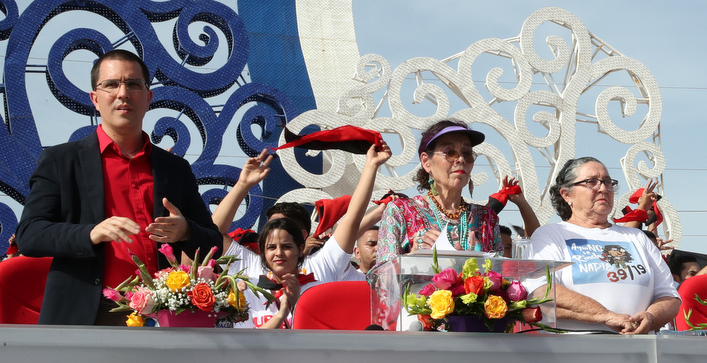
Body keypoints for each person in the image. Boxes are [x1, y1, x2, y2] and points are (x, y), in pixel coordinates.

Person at [15, 50, 223, 325]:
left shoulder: (174, 168)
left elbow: (214, 243)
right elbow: (29, 235)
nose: (123, 93)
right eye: (111, 85)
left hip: (161, 314)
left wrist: (185, 231)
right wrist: (90, 233)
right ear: (95, 99)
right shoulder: (61, 161)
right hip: (86, 315)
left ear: (148, 98)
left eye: (133, 84)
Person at [212, 144, 390, 328]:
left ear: (300, 247)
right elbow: (213, 232)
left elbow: (351, 219)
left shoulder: (321, 265)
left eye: (287, 246)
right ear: (263, 250)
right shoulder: (248, 266)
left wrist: (371, 166)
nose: (278, 253)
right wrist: (243, 185)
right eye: (271, 247)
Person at [528, 157, 680, 333]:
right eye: (591, 182)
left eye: (608, 182)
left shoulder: (637, 237)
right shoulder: (550, 235)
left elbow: (669, 296)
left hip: (638, 345)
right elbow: (540, 291)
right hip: (571, 345)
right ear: (567, 194)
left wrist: (651, 317)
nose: (603, 188)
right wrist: (604, 315)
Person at [375, 120, 505, 260]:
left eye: (467, 154)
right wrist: (412, 257)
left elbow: (501, 269)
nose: (461, 159)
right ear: (426, 162)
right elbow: (382, 271)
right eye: (450, 153)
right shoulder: (400, 211)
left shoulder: (487, 218)